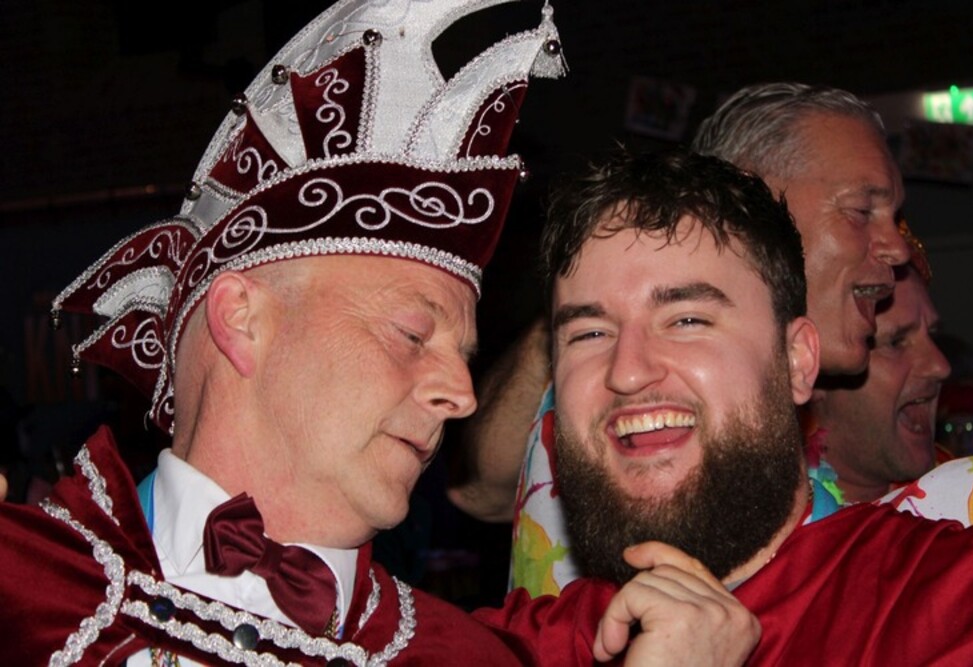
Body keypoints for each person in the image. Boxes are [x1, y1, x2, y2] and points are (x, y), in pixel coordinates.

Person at [0, 1, 765, 665]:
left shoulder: (470, 656)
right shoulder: (20, 586)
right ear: (242, 319)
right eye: (411, 332)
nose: (462, 395)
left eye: (463, 356)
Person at [469, 148, 973, 663]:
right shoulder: (525, 646)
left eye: (687, 320)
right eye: (589, 332)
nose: (626, 372)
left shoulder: (960, 606)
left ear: (796, 362)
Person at [448, 81, 914, 595]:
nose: (898, 248)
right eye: (861, 211)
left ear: (799, 357)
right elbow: (478, 494)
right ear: (743, 190)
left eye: (687, 321)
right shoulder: (601, 380)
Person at [810, 247, 951, 504]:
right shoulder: (764, 521)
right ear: (813, 372)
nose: (940, 366)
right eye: (896, 342)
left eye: (932, 335)